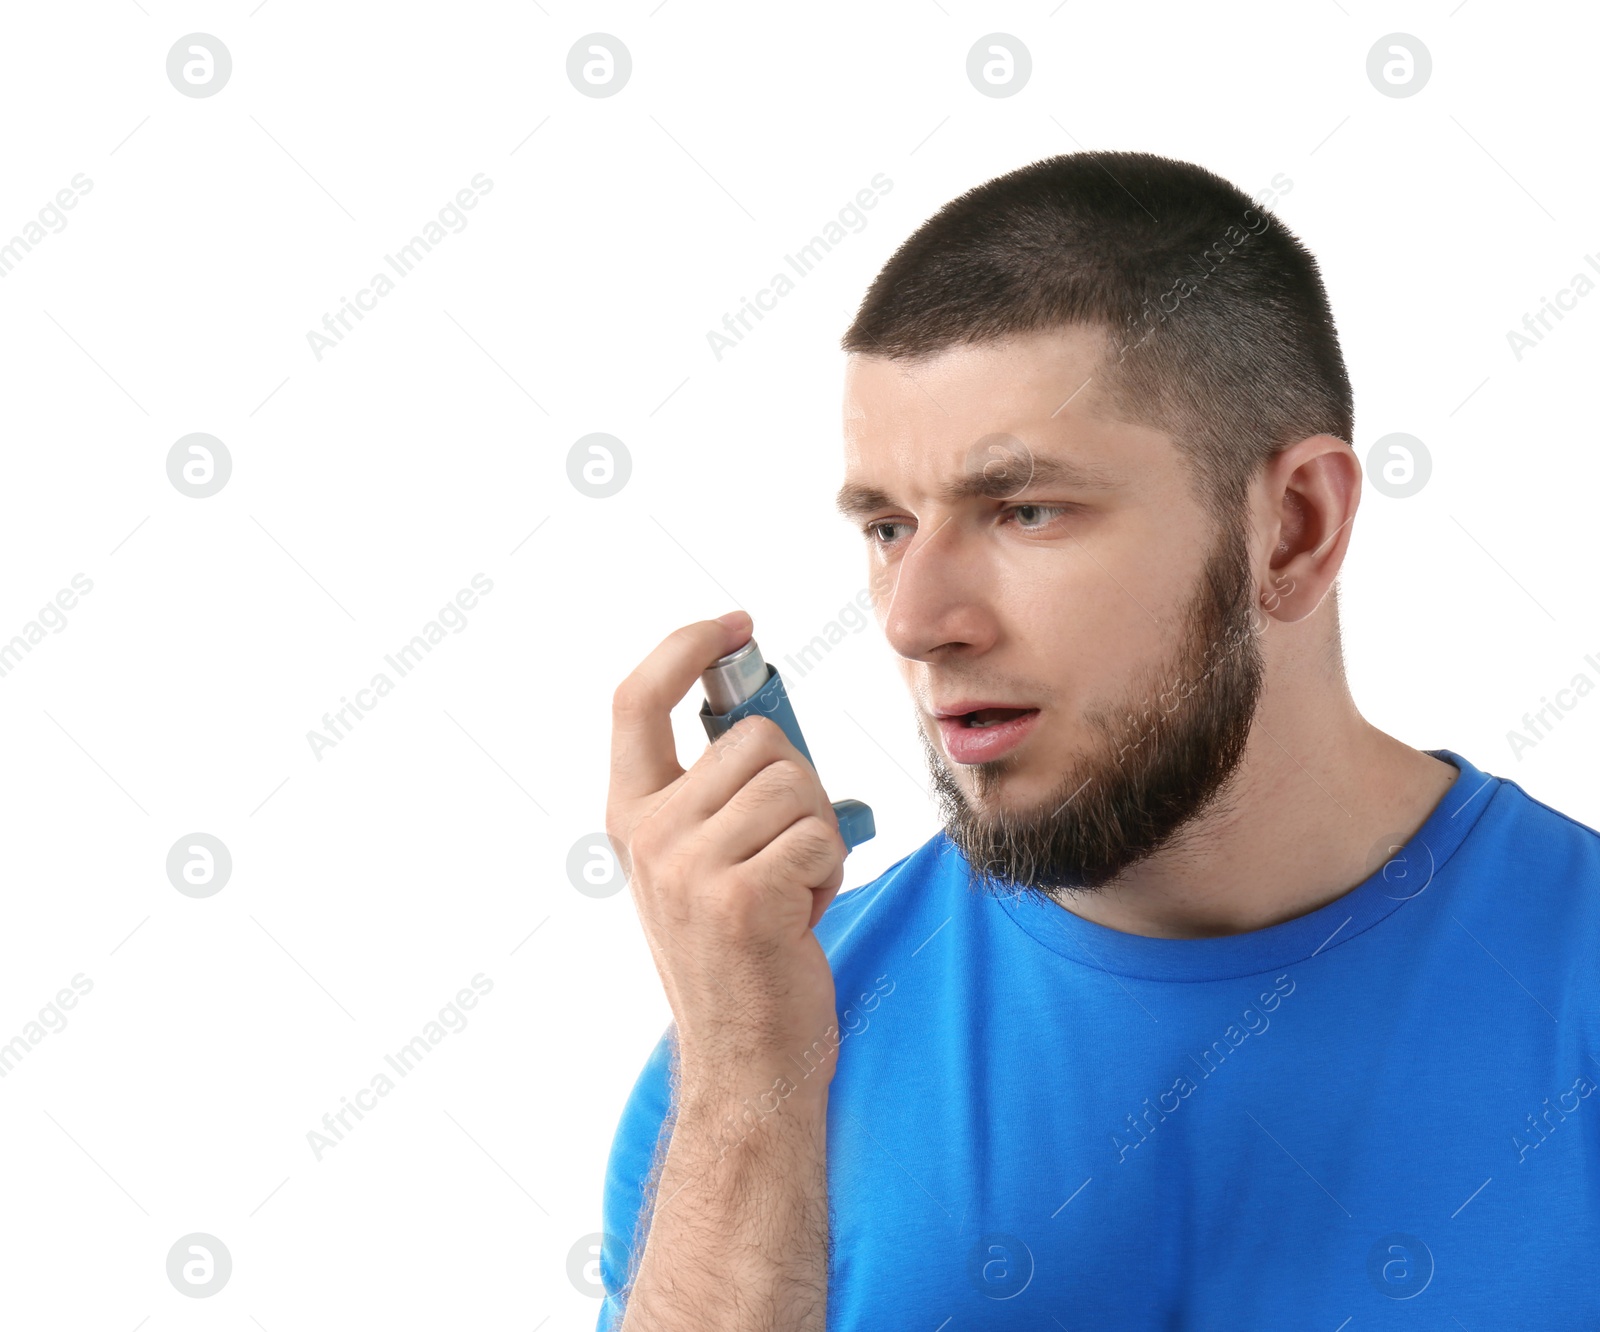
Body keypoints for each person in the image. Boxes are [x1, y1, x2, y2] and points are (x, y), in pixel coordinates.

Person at [595, 151, 1600, 1329]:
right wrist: (748, 1089)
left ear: (1292, 530)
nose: (916, 621)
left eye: (1025, 510)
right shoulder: (752, 1048)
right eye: (886, 526)